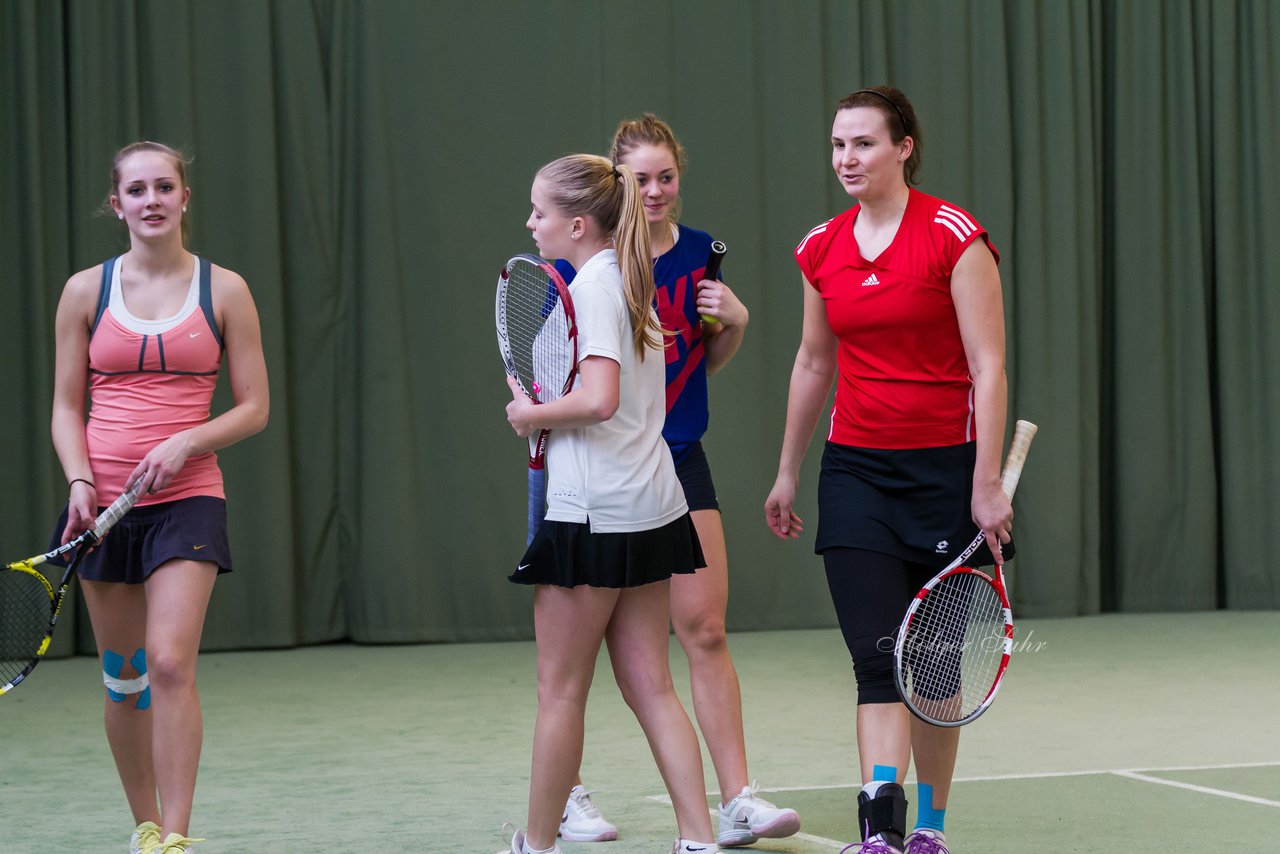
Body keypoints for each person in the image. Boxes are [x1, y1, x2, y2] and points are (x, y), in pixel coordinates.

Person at [764, 87, 1013, 854]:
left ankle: (931, 830)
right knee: (877, 659)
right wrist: (786, 471)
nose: (847, 158)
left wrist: (986, 480)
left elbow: (989, 365)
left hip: (947, 477)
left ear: (904, 147)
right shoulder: (820, 247)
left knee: (934, 676)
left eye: (864, 143)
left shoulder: (954, 237)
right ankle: (881, 830)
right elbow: (813, 362)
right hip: (857, 476)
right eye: (838, 144)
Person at [552, 115, 800, 848]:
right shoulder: (580, 262)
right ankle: (567, 796)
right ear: (615, 183)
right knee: (582, 652)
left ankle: (738, 801)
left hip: (677, 459)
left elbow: (687, 368)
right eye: (639, 178)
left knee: (706, 628)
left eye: (667, 176)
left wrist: (738, 327)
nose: (655, 191)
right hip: (594, 470)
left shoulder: (704, 254)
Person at [50, 141, 269, 854]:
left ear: (183, 198)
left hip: (190, 500)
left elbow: (255, 406)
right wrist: (80, 479)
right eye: (136, 190)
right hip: (102, 507)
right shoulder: (85, 291)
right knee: (124, 677)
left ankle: (177, 835)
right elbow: (64, 405)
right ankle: (144, 825)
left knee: (170, 661)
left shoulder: (226, 291)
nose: (151, 200)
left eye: (163, 187)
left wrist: (189, 442)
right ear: (117, 205)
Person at [498, 153, 721, 854]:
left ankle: (536, 843)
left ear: (577, 224)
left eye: (540, 212)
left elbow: (598, 399)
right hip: (653, 506)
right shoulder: (629, 281)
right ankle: (697, 839)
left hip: (592, 513)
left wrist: (530, 415)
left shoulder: (592, 289)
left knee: (559, 691)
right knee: (653, 684)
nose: (531, 223)